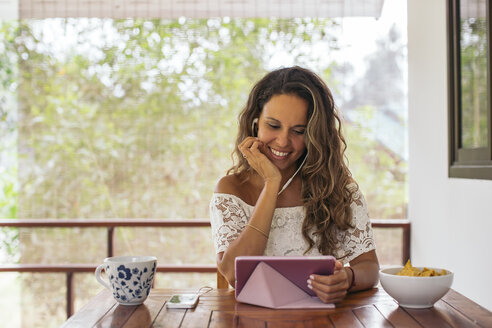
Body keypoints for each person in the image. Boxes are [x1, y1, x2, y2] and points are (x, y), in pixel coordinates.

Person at [209, 66, 379, 303]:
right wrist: (271, 183)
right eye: (273, 126)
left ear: (314, 134)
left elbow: (370, 268)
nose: (283, 141)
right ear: (256, 122)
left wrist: (347, 278)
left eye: (299, 131)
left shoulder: (338, 189)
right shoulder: (231, 189)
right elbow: (233, 275)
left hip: (322, 321)